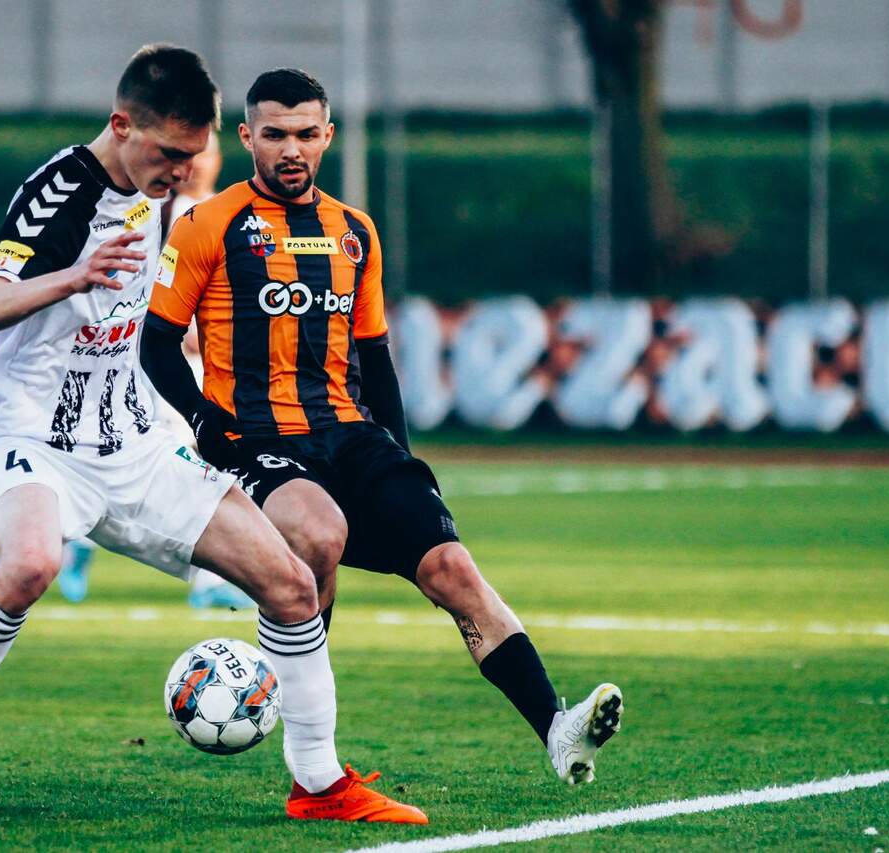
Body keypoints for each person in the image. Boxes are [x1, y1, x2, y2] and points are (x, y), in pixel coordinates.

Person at [0, 46, 424, 824]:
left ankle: (319, 782)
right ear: (122, 125)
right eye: (169, 154)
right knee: (30, 562)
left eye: (193, 156)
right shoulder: (63, 193)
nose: (181, 172)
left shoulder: (166, 198)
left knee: (294, 585)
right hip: (34, 437)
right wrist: (74, 275)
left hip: (137, 443)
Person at [142, 68, 623, 787]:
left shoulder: (354, 232)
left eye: (306, 134)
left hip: (353, 435)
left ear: (327, 136)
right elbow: (155, 343)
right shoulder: (206, 225)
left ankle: (558, 729)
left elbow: (375, 357)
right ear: (246, 137)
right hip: (260, 440)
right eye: (275, 134)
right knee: (318, 534)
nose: (291, 149)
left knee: (453, 569)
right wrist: (207, 423)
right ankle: (310, 757)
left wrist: (400, 456)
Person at [56, 131, 255, 611]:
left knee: (198, 463)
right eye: (190, 152)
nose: (197, 162)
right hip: (162, 361)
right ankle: (204, 579)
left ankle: (78, 540)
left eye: (206, 152)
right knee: (193, 460)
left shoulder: (231, 216)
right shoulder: (160, 212)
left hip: (212, 362)